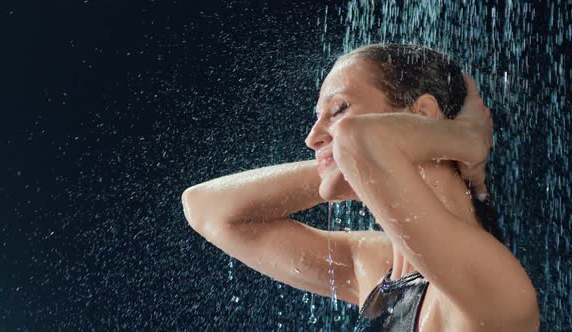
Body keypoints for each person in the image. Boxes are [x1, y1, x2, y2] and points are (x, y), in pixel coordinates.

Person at [181, 44, 540, 331]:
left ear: (421, 116)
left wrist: (459, 139)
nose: (311, 137)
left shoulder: (490, 281)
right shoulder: (376, 266)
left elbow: (358, 142)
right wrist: (376, 174)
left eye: (338, 109)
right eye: (317, 117)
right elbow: (206, 208)